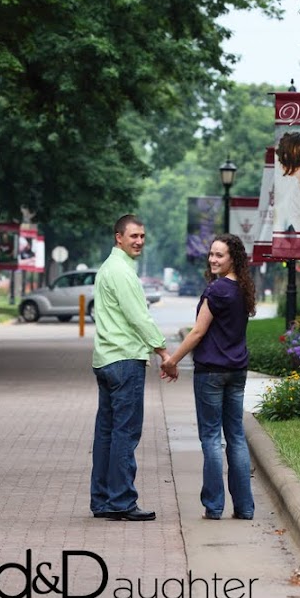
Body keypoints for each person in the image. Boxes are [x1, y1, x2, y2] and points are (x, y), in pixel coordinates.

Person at [160, 234, 256, 521]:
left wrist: (171, 360)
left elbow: (198, 332)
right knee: (236, 437)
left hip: (212, 373)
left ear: (233, 258)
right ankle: (245, 507)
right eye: (211, 254)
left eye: (220, 255)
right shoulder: (243, 288)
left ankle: (214, 507)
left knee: (212, 439)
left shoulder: (216, 291)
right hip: (237, 371)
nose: (213, 259)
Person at [91, 214, 173, 522]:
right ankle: (122, 501)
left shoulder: (108, 269)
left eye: (142, 236)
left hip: (106, 360)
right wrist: (164, 352)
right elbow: (140, 318)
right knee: (124, 433)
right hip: (124, 361)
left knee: (106, 434)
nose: (139, 241)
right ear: (118, 238)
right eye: (133, 236)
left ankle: (101, 501)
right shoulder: (122, 272)